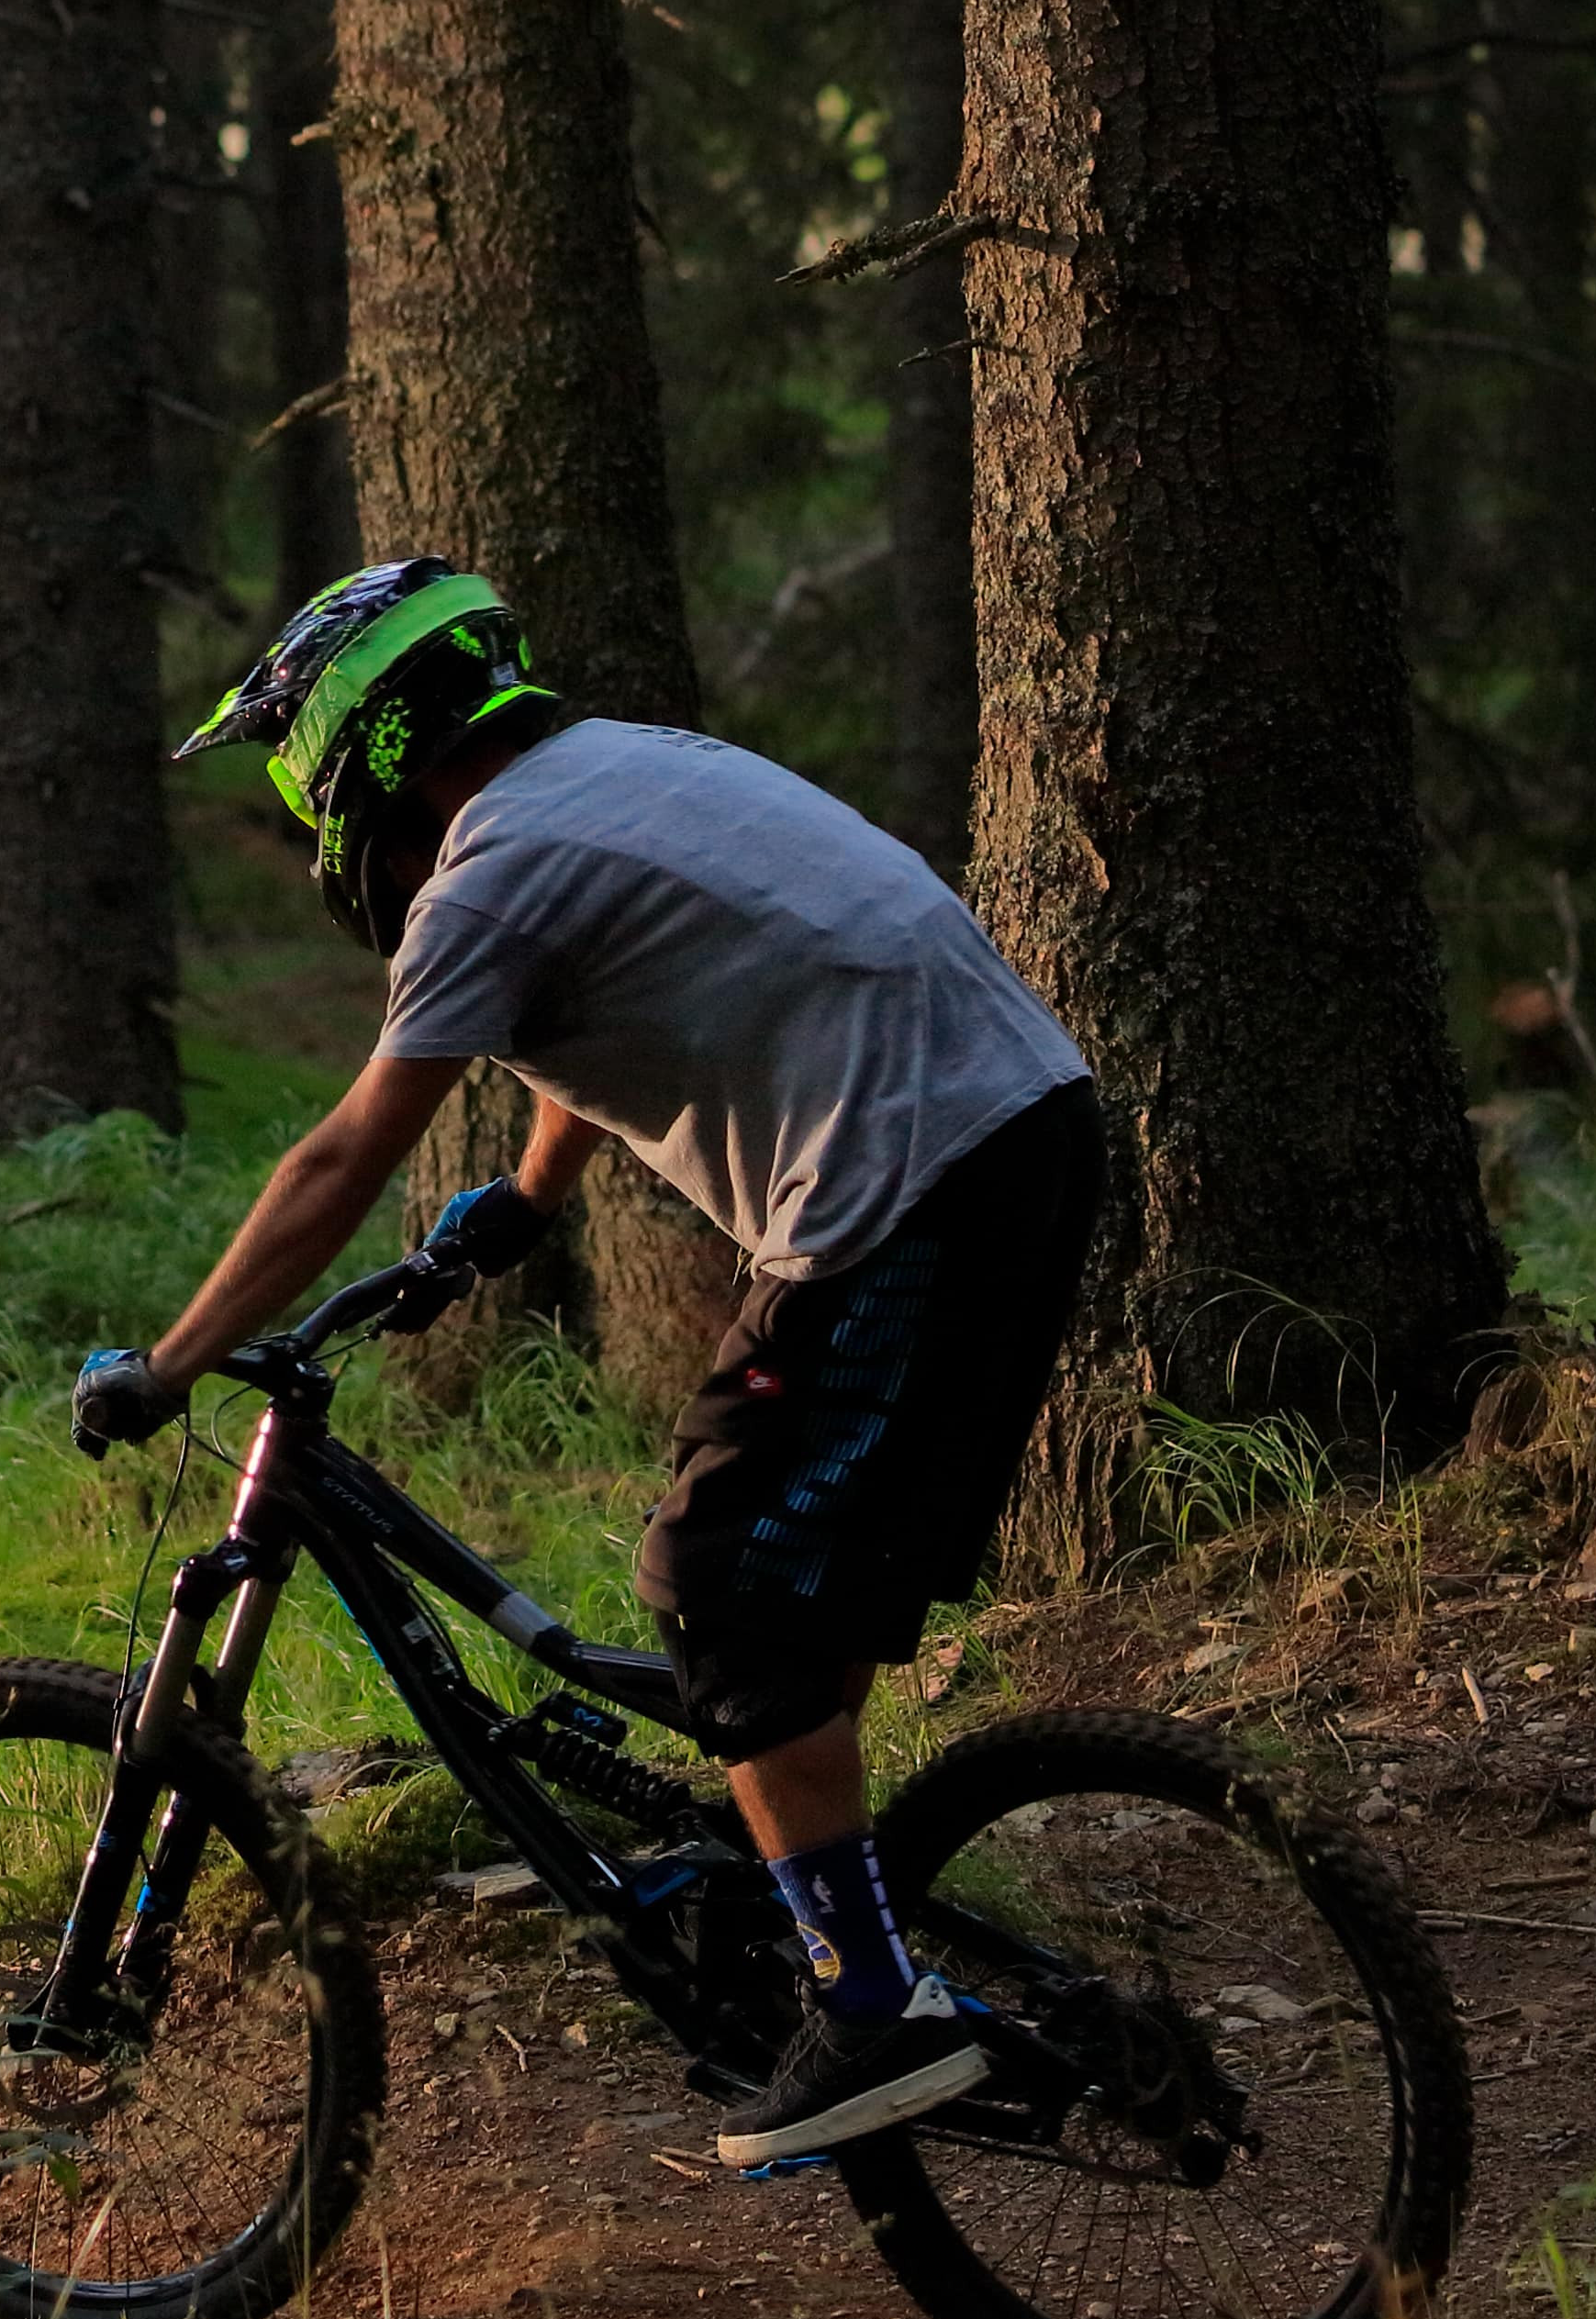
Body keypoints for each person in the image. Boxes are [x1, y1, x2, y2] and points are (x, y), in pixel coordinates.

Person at [84, 558, 1108, 2169]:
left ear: (360, 747)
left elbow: (343, 1155)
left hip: (916, 1185)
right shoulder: (624, 771)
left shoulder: (485, 877)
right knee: (776, 1633)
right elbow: (616, 993)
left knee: (718, 1580)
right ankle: (834, 1919)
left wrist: (167, 1365)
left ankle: (875, 2012)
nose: (308, 820)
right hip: (1007, 1137)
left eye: (303, 777)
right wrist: (530, 1195)